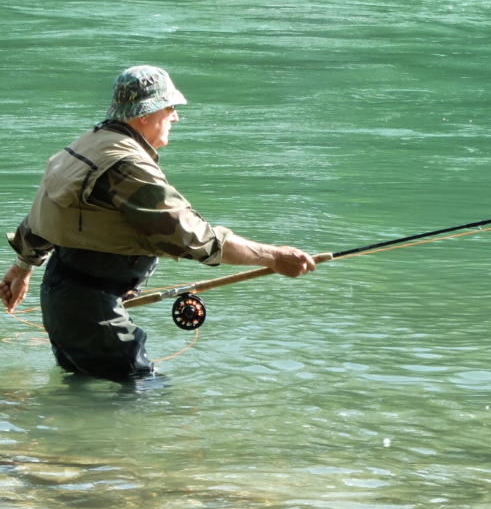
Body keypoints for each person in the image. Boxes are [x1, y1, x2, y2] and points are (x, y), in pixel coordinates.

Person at [0, 65, 315, 381]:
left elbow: (48, 215)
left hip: (64, 297)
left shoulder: (89, 143)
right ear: (145, 114)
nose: (175, 117)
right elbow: (192, 237)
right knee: (145, 396)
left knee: (83, 389)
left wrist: (23, 267)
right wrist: (274, 257)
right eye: (170, 108)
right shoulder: (127, 165)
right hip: (90, 308)